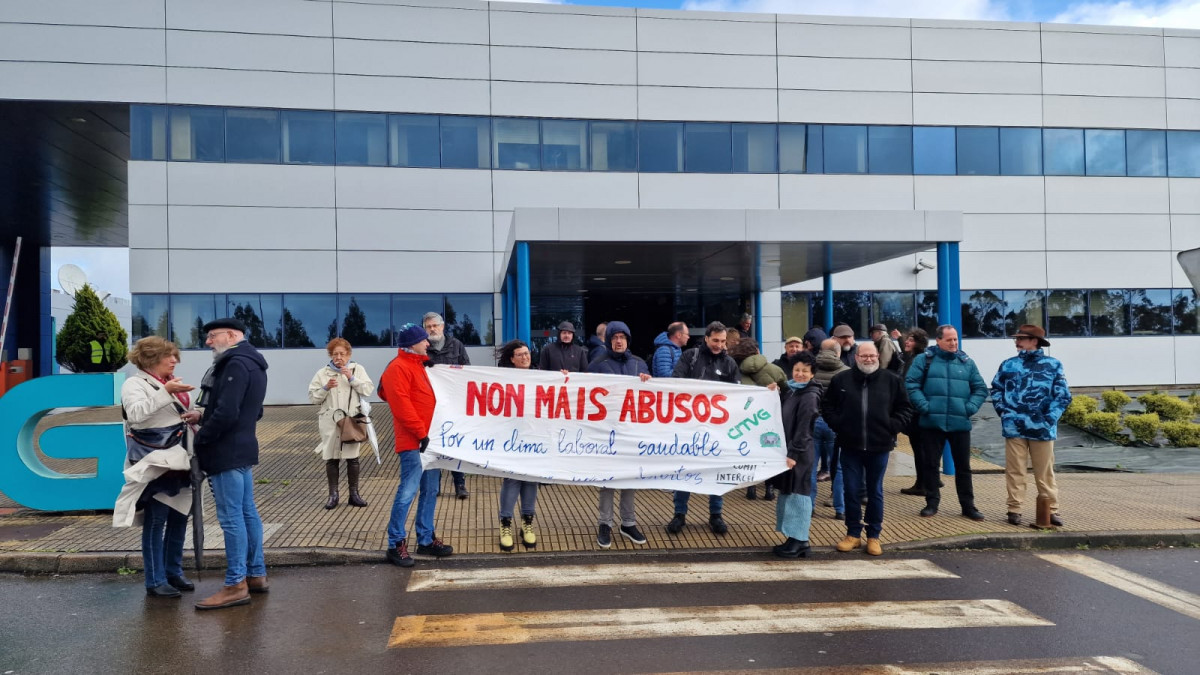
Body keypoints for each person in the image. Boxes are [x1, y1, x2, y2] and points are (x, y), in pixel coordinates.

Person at [192, 318, 269, 610]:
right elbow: (254, 410)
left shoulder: (234, 364)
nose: (208, 342)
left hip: (226, 451)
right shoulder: (254, 363)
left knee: (231, 518)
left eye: (213, 336)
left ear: (232, 335)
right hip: (243, 446)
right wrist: (203, 415)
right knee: (247, 512)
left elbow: (226, 413)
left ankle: (236, 584)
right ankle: (256, 574)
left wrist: (203, 438)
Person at [115, 336, 200, 598]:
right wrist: (166, 393)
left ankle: (173, 571)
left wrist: (197, 413)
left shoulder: (168, 383)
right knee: (156, 520)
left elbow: (178, 413)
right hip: (156, 461)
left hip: (182, 458)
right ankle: (155, 579)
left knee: (180, 517)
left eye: (175, 356)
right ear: (151, 358)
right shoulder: (134, 383)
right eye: (169, 356)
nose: (174, 360)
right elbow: (137, 414)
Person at [821, 342, 912, 556]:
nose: (868, 359)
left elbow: (905, 408)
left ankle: (874, 535)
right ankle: (853, 534)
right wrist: (839, 424)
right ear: (856, 357)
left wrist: (892, 427)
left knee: (875, 492)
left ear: (878, 357)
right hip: (850, 445)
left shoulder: (892, 380)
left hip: (879, 446)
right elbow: (827, 406)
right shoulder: (841, 379)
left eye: (872, 356)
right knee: (851, 491)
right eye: (864, 356)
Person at [381, 323, 453, 567]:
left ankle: (425, 538)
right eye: (423, 340)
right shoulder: (398, 368)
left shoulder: (418, 365)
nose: (427, 343)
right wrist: (421, 434)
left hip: (428, 441)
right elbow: (400, 405)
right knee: (408, 492)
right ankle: (395, 543)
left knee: (430, 491)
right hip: (415, 441)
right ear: (412, 343)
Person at [991, 324, 1072, 527]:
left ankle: (1050, 510)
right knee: (1015, 470)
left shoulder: (1053, 365)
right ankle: (1014, 509)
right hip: (1014, 426)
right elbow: (996, 389)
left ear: (1034, 341)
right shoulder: (1008, 365)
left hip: (1042, 428)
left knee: (1044, 472)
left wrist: (1049, 418)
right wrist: (1005, 413)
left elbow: (1063, 396)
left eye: (1021, 338)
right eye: (1016, 338)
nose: (1016, 341)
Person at [905, 325, 988, 521]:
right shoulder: (923, 360)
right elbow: (911, 385)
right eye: (949, 340)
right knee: (931, 464)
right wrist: (926, 407)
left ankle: (968, 506)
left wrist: (968, 408)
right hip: (932, 422)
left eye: (956, 339)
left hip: (959, 423)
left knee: (964, 467)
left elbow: (981, 389)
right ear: (939, 340)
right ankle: (932, 503)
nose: (954, 343)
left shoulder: (966, 362)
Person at [668, 321, 739, 535]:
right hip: (689, 426)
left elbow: (738, 394)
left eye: (723, 341)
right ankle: (679, 514)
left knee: (716, 470)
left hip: (716, 429)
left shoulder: (729, 363)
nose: (719, 345)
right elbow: (675, 381)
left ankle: (716, 514)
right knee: (684, 469)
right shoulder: (691, 356)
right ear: (706, 338)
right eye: (715, 340)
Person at [586, 320, 650, 549]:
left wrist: (648, 384)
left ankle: (628, 522)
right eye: (614, 338)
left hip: (631, 432)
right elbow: (583, 392)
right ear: (609, 341)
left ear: (628, 340)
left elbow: (651, 398)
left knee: (629, 477)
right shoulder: (597, 365)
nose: (619, 341)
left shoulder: (640, 364)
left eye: (622, 337)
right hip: (607, 432)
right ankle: (605, 523)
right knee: (607, 479)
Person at [308, 338, 375, 510]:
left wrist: (351, 378)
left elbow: (368, 389)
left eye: (342, 354)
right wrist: (325, 388)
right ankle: (333, 496)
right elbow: (313, 398)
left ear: (348, 354)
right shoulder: (322, 373)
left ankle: (354, 494)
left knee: (352, 458)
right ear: (330, 355)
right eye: (335, 354)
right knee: (331, 458)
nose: (339, 357)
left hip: (351, 421)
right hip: (330, 421)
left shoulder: (357, 369)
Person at [768, 352, 822, 558]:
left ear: (812, 374)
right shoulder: (792, 391)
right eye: (797, 370)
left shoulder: (809, 395)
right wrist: (775, 391)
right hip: (789, 450)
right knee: (788, 492)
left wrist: (794, 454)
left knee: (798, 494)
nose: (799, 374)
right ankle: (792, 537)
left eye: (804, 371)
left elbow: (804, 428)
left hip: (799, 452)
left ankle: (800, 541)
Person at [496, 340, 542, 550]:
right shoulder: (504, 379)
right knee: (512, 478)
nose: (525, 357)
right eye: (520, 355)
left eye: (527, 353)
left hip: (533, 436)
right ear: (512, 359)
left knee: (530, 478)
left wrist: (563, 378)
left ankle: (527, 523)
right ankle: (505, 523)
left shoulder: (541, 376)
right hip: (511, 436)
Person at [729, 336, 785, 500]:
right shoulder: (774, 369)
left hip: (745, 420)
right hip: (769, 420)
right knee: (769, 452)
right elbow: (787, 390)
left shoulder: (733, 369)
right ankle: (770, 488)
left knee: (749, 451)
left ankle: (750, 487)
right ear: (757, 350)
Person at [423, 312, 471, 500]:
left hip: (452, 404)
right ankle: (435, 485)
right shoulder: (423, 348)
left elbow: (466, 369)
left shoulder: (456, 345)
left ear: (443, 327)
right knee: (433, 442)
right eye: (429, 326)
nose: (433, 329)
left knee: (455, 442)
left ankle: (460, 483)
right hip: (430, 404)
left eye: (435, 325)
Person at [813, 338, 850, 516]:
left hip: (814, 421)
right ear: (838, 352)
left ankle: (809, 507)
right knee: (840, 468)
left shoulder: (811, 370)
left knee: (811, 467)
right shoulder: (847, 372)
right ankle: (840, 509)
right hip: (837, 424)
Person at [898, 328, 933, 497]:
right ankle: (925, 481)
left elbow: (910, 385)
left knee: (920, 449)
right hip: (917, 411)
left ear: (918, 343)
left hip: (915, 412)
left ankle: (923, 484)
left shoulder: (917, 360)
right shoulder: (917, 358)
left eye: (910, 340)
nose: (906, 341)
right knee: (921, 449)